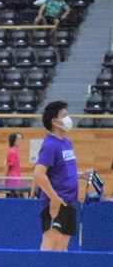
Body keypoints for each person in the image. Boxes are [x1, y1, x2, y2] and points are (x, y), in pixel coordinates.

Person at [33, 101, 79, 252]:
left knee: (61, 248)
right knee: (50, 247)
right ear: (55, 121)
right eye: (64, 116)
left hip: (69, 202)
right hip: (56, 204)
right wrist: (54, 198)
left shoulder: (67, 143)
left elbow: (62, 171)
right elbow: (39, 173)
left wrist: (81, 175)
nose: (68, 119)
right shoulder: (50, 144)